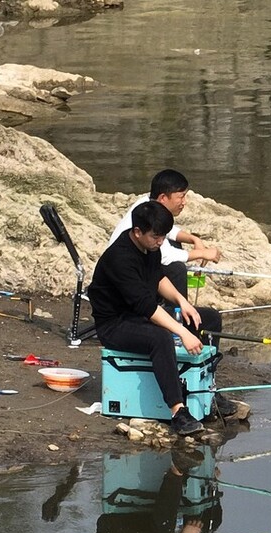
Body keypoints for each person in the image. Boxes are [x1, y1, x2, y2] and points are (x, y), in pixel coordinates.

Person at [88, 200, 235, 435]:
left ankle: (207, 391)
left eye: (164, 236)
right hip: (115, 324)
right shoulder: (120, 258)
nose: (160, 241)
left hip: (139, 315)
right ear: (137, 232)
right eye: (156, 236)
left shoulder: (151, 248)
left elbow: (157, 279)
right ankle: (178, 411)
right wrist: (182, 332)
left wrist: (183, 303)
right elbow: (146, 306)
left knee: (208, 318)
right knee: (160, 337)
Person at [108, 169, 221, 298]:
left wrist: (193, 239)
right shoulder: (146, 212)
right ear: (163, 198)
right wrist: (202, 253)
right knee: (176, 269)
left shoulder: (150, 204)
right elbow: (166, 256)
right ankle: (177, 312)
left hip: (139, 261)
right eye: (181, 197)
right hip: (126, 270)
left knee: (176, 244)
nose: (184, 202)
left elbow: (168, 230)